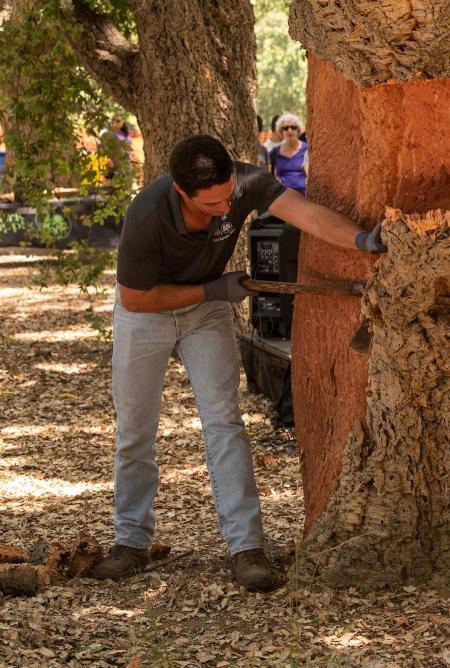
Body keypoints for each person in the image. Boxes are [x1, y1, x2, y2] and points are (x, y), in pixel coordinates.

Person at [90, 135, 386, 592]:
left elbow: (304, 213)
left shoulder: (245, 183)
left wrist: (362, 240)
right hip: (147, 313)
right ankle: (130, 540)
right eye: (213, 204)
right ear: (181, 192)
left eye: (230, 196)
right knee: (135, 428)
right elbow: (135, 296)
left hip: (207, 310)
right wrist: (213, 291)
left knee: (225, 421)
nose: (226, 207)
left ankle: (246, 546)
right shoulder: (147, 214)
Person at [269, 113, 308, 195]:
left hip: (304, 198)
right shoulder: (274, 152)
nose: (289, 130)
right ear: (281, 131)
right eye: (286, 128)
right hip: (283, 198)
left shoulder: (307, 150)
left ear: (298, 130)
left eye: (293, 127)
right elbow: (269, 176)